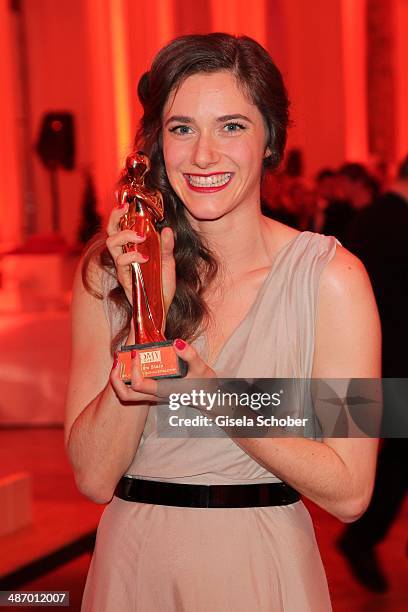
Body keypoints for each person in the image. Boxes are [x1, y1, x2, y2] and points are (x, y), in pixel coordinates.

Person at [65, 33, 381, 611]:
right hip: (134, 568)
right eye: (182, 128)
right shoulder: (108, 274)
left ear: (270, 140)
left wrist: (207, 390)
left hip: (264, 567)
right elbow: (92, 479)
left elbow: (352, 491)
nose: (203, 154)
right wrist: (147, 320)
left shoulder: (336, 278)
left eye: (232, 126)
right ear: (159, 142)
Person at [338, 155, 408, 592]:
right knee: (397, 458)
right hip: (396, 361)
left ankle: (362, 536)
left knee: (398, 456)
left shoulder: (373, 218)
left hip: (377, 358)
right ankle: (360, 536)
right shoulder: (395, 222)